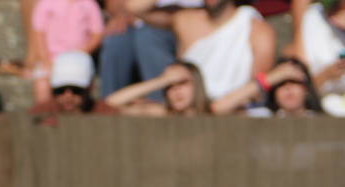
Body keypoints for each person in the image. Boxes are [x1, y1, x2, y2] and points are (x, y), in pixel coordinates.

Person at [128, 0, 277, 100]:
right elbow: (134, 7)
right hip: (189, 108)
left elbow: (256, 92)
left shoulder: (257, 29)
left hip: (236, 111)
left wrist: (217, 108)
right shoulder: (185, 19)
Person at [27, 0, 107, 103]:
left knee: (82, 83)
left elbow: (97, 35)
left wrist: (80, 54)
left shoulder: (89, 4)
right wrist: (45, 59)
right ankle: (44, 113)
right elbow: (38, 33)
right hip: (51, 60)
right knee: (41, 85)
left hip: (79, 61)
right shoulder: (46, 3)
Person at [98, 0, 179, 98]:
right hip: (134, 23)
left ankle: (161, 100)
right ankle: (109, 102)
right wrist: (123, 15)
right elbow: (114, 4)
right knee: (115, 41)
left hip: (170, 25)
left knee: (147, 36)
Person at [30, 51, 120, 120]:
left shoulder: (106, 114)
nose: (68, 96)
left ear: (91, 87)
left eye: (76, 90)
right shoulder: (40, 115)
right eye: (60, 90)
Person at [103, 58, 212, 113]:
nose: (175, 90)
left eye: (182, 82)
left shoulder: (213, 110)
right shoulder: (163, 113)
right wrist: (163, 80)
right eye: (169, 85)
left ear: (196, 83)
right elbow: (111, 103)